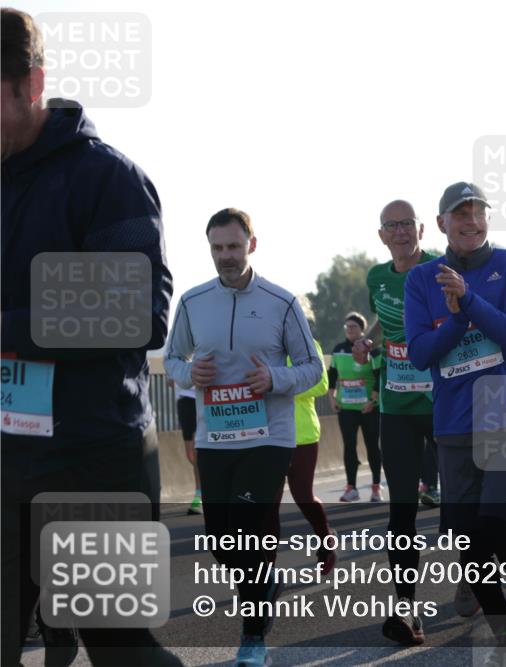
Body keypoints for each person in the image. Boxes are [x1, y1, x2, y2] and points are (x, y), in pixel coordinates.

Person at [1, 8, 182, 665]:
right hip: (4, 457)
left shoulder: (104, 178)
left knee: (120, 647)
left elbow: (137, 312)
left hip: (90, 455)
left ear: (31, 83)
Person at [405, 181, 506, 664]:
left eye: (478, 214)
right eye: (460, 215)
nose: (471, 222)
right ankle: (504, 633)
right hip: (453, 420)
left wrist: (468, 301)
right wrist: (454, 321)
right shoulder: (421, 279)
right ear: (441, 224)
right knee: (467, 538)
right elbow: (418, 354)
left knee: (496, 521)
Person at [165, 208, 324, 666]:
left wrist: (274, 380)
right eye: (217, 248)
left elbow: (314, 368)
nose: (225, 257)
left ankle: (253, 636)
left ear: (252, 245)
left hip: (269, 436)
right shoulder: (193, 302)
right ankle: (263, 584)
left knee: (251, 528)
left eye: (233, 247)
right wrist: (190, 372)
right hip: (217, 437)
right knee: (221, 538)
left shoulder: (282, 302)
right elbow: (173, 360)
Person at [354, 199, 440, 645]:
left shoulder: (443, 269)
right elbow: (386, 326)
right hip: (397, 408)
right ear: (382, 235)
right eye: (393, 225)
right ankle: (407, 610)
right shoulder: (376, 278)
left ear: (422, 229)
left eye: (408, 223)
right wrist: (368, 342)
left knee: (460, 513)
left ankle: (474, 582)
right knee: (401, 513)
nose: (401, 231)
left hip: (446, 407)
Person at [278, 296, 336, 573]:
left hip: (303, 435)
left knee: (303, 496)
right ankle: (265, 570)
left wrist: (283, 386)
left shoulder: (310, 346)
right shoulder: (267, 348)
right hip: (270, 435)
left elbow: (321, 384)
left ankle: (325, 538)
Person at [329, 312, 382, 502]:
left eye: (353, 327)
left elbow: (379, 376)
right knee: (349, 446)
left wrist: (373, 401)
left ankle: (376, 487)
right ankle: (351, 487)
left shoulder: (372, 350)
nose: (349, 330)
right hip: (347, 408)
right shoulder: (339, 350)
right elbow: (332, 375)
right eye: (347, 327)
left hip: (369, 408)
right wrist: (331, 397)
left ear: (362, 330)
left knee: (372, 447)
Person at [170, 382, 202, 514]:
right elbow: (171, 379)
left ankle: (199, 497)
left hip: (206, 397)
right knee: (191, 455)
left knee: (199, 452)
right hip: (185, 400)